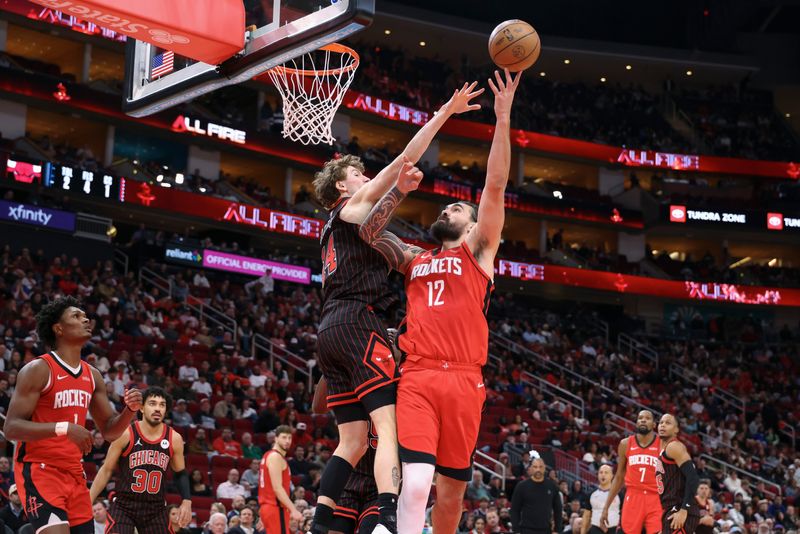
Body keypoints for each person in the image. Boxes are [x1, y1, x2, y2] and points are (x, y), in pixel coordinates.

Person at [310, 81, 484, 534]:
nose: (366, 177)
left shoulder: (330, 229)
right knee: (387, 429)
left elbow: (376, 229)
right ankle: (389, 519)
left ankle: (319, 522)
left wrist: (398, 193)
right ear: (341, 186)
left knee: (350, 440)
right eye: (358, 174)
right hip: (354, 321)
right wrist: (444, 111)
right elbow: (404, 159)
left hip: (326, 329)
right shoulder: (350, 206)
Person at [358, 69, 520, 534]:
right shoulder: (413, 257)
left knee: (450, 496)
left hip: (466, 380)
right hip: (419, 374)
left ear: (472, 225)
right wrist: (398, 189)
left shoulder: (479, 251)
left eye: (456, 209)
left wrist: (502, 117)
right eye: (446, 207)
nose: (446, 210)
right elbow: (369, 231)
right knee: (416, 481)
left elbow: (495, 185)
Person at [3, 296, 143, 533]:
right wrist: (63, 428)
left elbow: (109, 431)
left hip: (75, 472)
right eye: (76, 316)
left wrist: (129, 411)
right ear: (59, 328)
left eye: (85, 315)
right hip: (39, 469)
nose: (86, 318)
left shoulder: (93, 375)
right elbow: (11, 428)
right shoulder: (39, 369)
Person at [89, 386, 192, 533]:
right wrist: (88, 500)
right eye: (152, 403)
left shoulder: (174, 438)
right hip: (125, 505)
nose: (158, 408)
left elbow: (180, 473)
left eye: (162, 405)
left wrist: (186, 500)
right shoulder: (126, 433)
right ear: (142, 408)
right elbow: (106, 470)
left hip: (155, 508)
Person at [313, 378, 380, 534]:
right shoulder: (350, 373)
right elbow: (318, 407)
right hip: (348, 474)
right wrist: (329, 360)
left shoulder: (397, 377)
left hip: (381, 479)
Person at [600, 410, 664, 534]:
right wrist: (606, 507)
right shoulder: (625, 444)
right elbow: (618, 477)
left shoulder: (663, 445)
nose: (643, 420)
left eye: (647, 418)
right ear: (636, 423)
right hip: (633, 497)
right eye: (640, 418)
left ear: (654, 425)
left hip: (655, 498)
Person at [658, 414, 701, 534]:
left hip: (679, 508)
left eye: (668, 423)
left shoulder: (674, 446)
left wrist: (683, 510)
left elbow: (693, 478)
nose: (662, 425)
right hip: (670, 509)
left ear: (676, 429)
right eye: (661, 422)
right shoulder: (663, 451)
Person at [259, 425, 303, 534]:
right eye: (284, 437)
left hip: (269, 507)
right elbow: (277, 488)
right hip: (275, 508)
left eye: (289, 438)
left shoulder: (268, 455)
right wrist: (293, 509)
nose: (287, 441)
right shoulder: (275, 457)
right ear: (276, 438)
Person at [510, 455, 563, 534]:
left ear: (544, 468)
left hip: (546, 530)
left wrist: (557, 530)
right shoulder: (522, 486)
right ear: (531, 469)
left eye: (540, 467)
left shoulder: (552, 486)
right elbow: (514, 509)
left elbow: (558, 510)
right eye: (535, 467)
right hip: (526, 530)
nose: (538, 469)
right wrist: (516, 530)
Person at [581, 465, 620, 534]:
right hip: (596, 529)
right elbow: (586, 516)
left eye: (606, 472)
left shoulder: (619, 494)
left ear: (612, 476)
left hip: (614, 529)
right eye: (601, 472)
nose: (603, 475)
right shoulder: (591, 494)